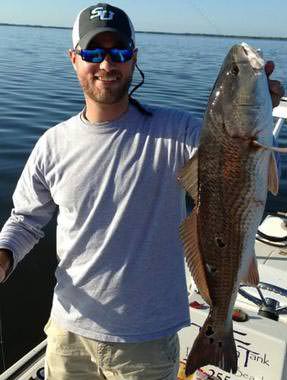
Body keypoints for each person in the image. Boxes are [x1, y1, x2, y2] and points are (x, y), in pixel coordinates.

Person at [0, 3, 284, 380]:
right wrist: (4, 255)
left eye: (118, 51)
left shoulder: (178, 131)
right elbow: (27, 219)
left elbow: (230, 159)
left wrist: (257, 111)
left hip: (147, 342)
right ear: (73, 58)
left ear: (133, 58)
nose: (106, 63)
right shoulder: (52, 144)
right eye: (92, 52)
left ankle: (218, 329)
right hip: (68, 331)